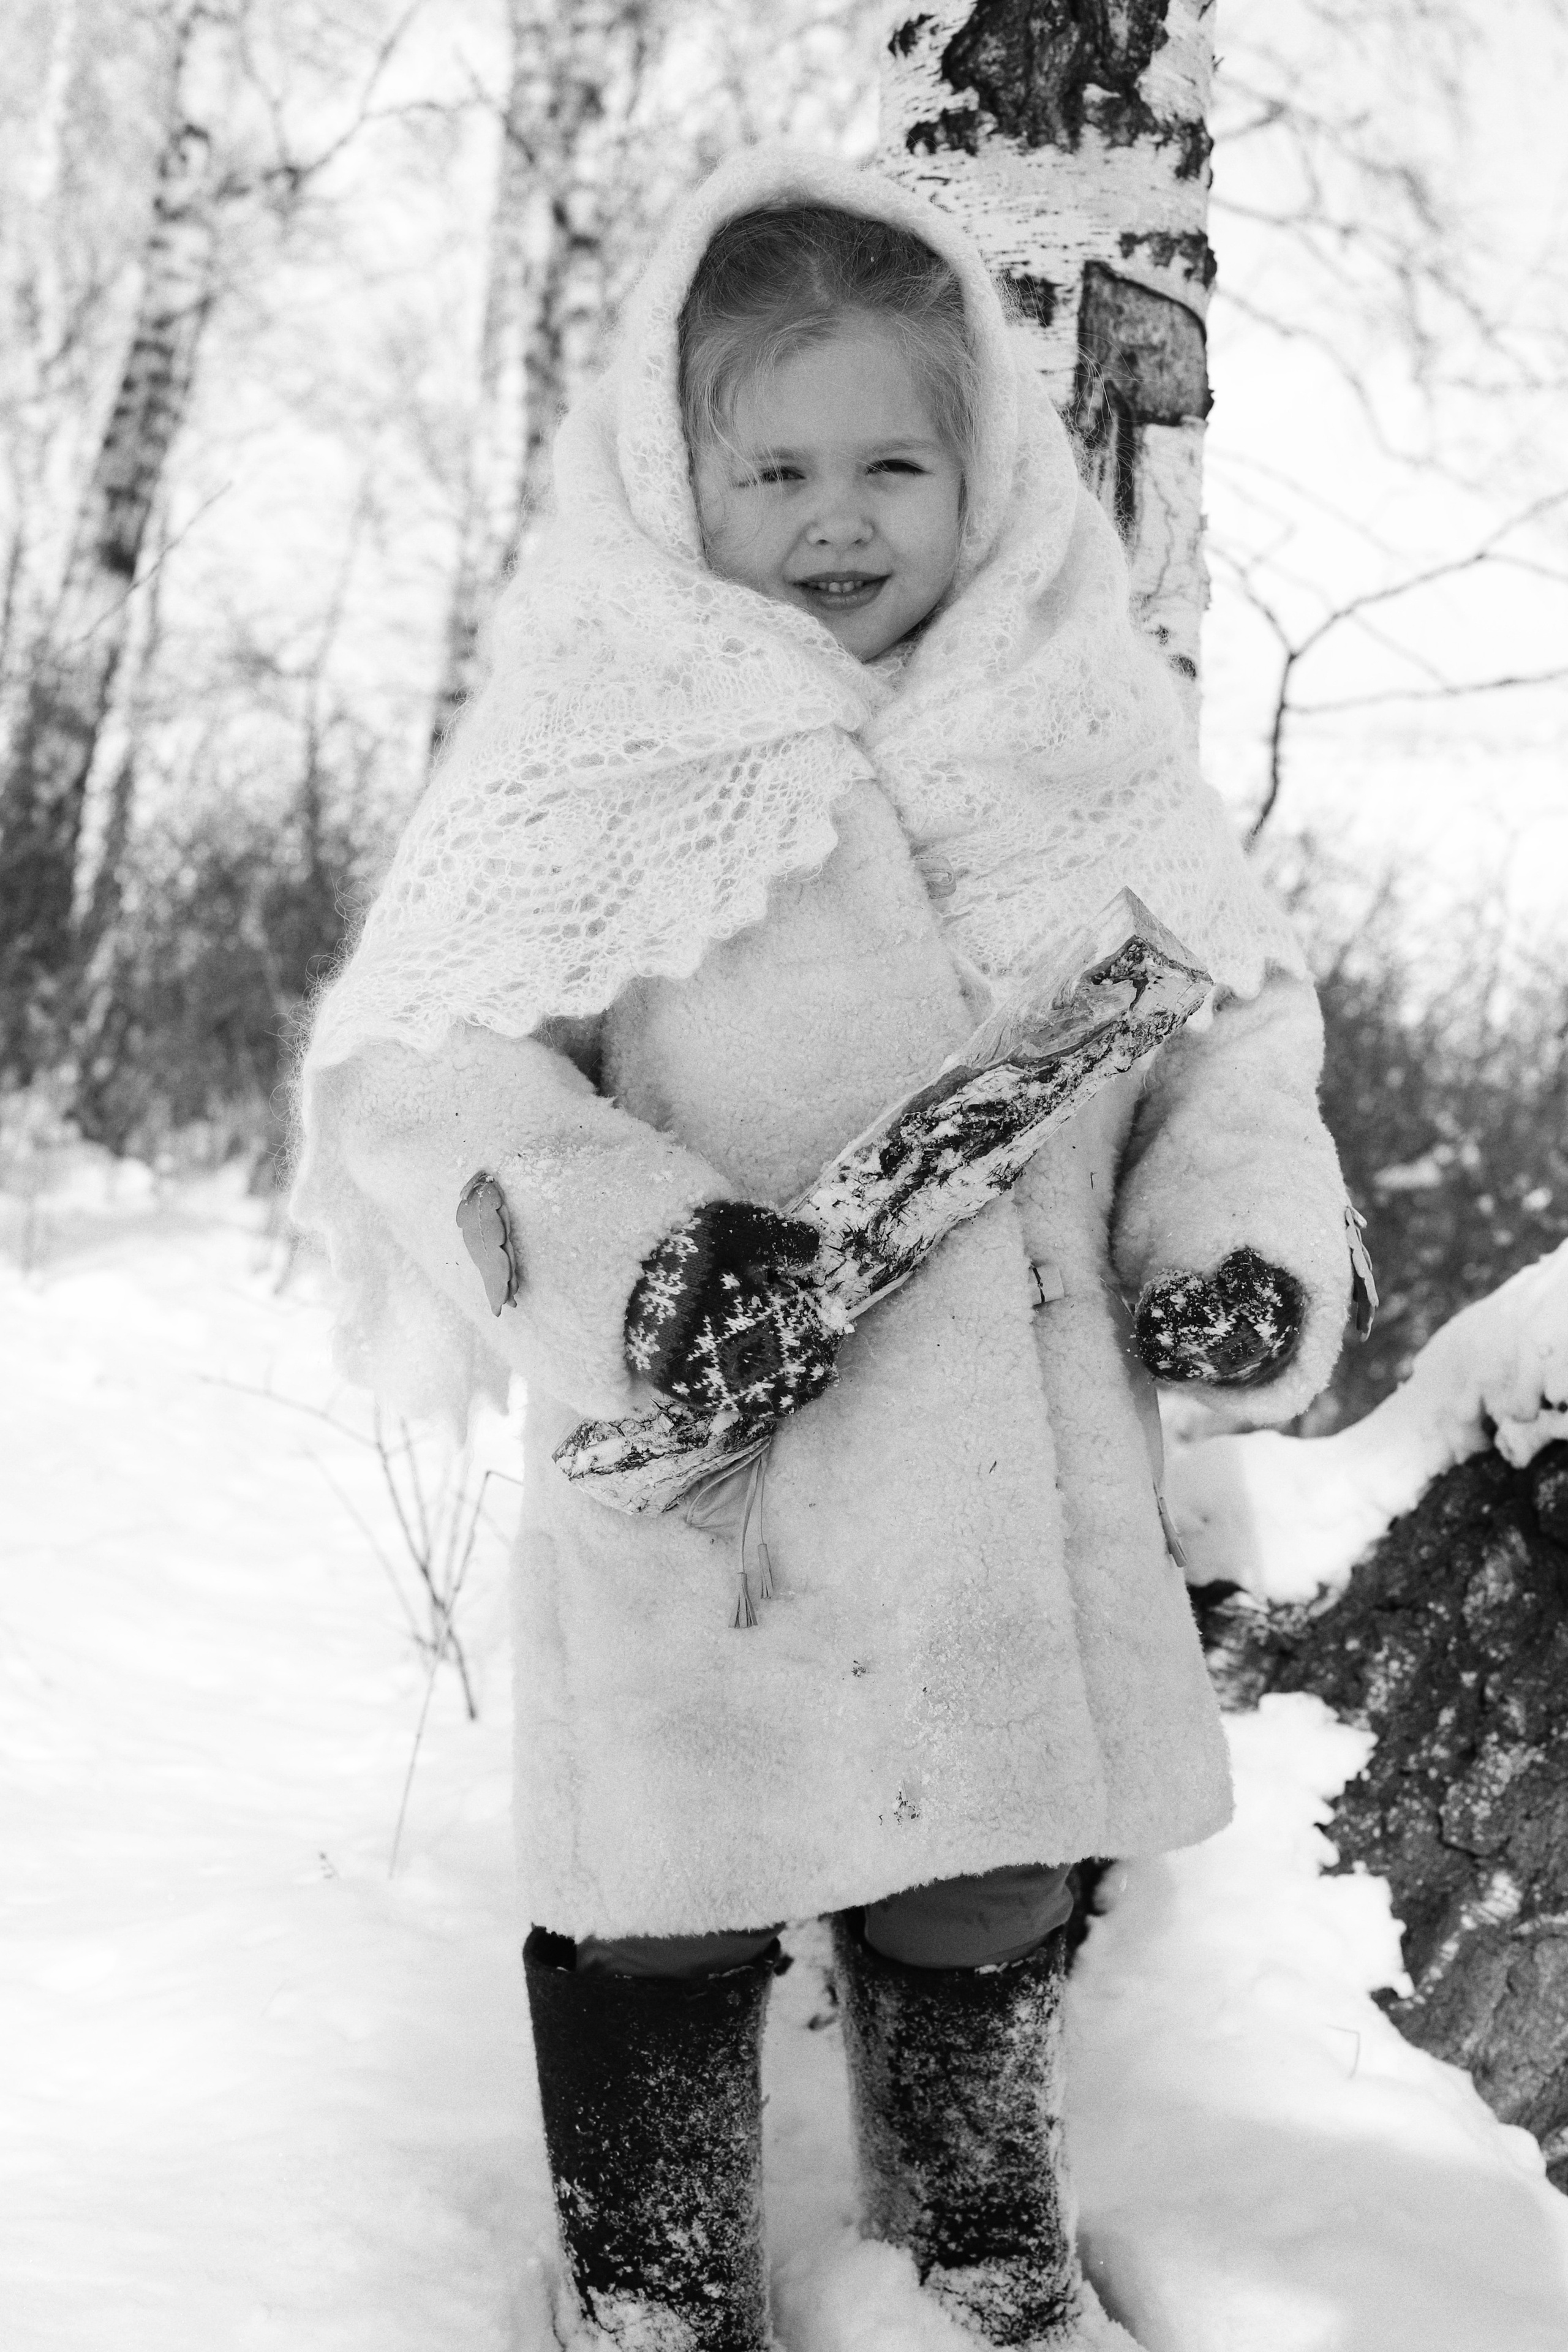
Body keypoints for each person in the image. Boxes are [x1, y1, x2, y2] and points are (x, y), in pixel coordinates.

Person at [292, 146, 1355, 2352]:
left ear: (996, 477)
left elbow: (1229, 1055)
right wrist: (644, 1268)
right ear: (672, 479)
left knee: (986, 1875)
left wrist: (1229, 1241)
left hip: (1009, 1487)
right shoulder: (594, 737)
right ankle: (658, 2287)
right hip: (715, 1476)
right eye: (774, 464)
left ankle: (980, 2266)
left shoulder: (1081, 721)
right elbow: (432, 1076)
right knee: (667, 1899)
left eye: (896, 458)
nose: (838, 514)